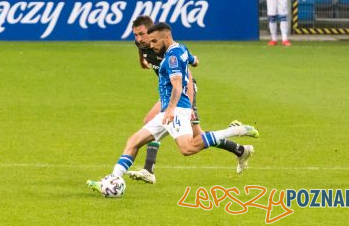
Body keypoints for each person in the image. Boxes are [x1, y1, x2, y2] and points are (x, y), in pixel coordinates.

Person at [87, 23, 256, 194]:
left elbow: (176, 85)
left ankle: (235, 130)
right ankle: (112, 180)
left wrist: (170, 110)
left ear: (166, 38)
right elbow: (195, 60)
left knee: (188, 148)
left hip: (176, 110)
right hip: (166, 111)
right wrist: (193, 61)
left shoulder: (172, 59)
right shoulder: (181, 49)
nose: (151, 45)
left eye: (154, 41)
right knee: (133, 141)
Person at [126, 16, 259, 184]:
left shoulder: (169, 50)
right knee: (198, 136)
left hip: (183, 92)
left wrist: (186, 107)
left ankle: (148, 169)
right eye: (135, 35)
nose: (138, 39)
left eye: (141, 34)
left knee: (184, 136)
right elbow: (145, 63)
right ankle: (240, 150)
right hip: (170, 94)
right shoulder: (143, 46)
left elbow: (187, 77)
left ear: (153, 33)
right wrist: (144, 60)